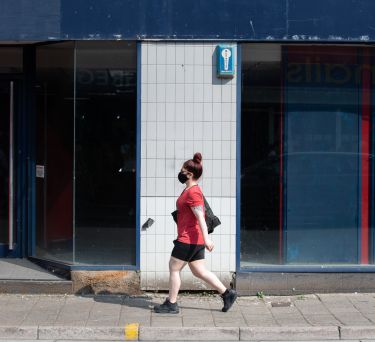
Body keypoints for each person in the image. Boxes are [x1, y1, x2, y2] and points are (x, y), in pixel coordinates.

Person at [154, 152, 237, 314]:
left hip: (189, 239)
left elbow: (201, 217)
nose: (180, 173)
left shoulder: (193, 192)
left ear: (189, 174)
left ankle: (171, 304)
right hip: (193, 238)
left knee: (174, 268)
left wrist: (207, 240)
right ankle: (227, 294)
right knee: (199, 271)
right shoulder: (190, 190)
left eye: (182, 170)